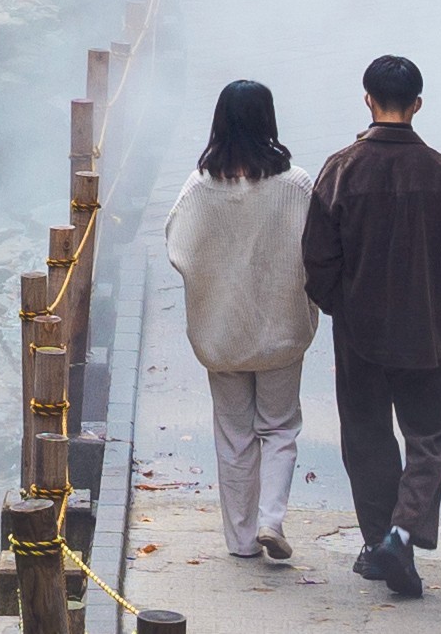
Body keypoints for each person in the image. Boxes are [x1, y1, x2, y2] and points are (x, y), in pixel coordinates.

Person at [292, 49, 441, 598]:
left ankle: (381, 540)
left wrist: (344, 305)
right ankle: (401, 536)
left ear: (368, 100)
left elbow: (317, 259)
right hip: (428, 330)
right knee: (428, 437)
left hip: (361, 334)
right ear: (417, 104)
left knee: (367, 436)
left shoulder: (341, 169)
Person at [161, 77, 316, 565]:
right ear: (269, 120)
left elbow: (178, 248)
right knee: (279, 427)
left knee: (234, 435)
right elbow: (319, 249)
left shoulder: (199, 187)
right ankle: (272, 519)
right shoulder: (296, 185)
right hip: (282, 329)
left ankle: (242, 540)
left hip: (222, 332)